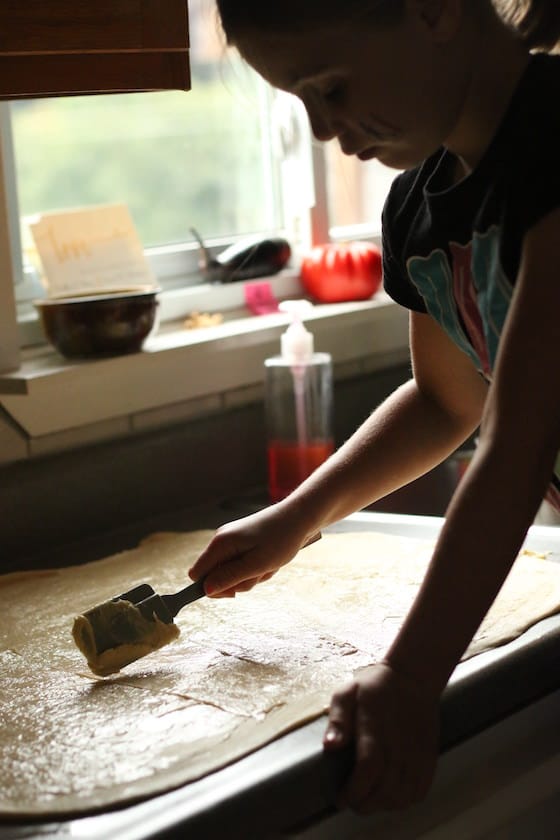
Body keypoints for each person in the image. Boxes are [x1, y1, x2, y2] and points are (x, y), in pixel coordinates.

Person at [189, 0, 560, 814]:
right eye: (302, 102)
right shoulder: (419, 208)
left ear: (432, 10)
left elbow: (518, 446)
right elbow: (443, 403)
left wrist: (412, 673)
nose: (324, 130)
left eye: (331, 86)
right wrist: (297, 518)